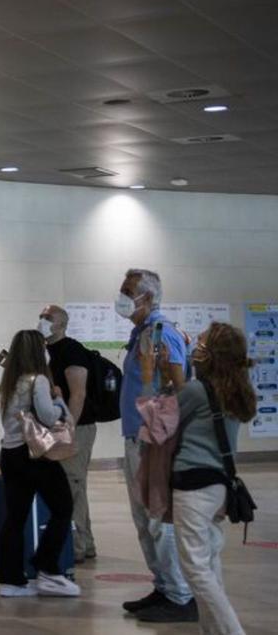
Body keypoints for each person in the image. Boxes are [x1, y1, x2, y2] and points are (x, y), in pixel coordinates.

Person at [159, 323, 255, 633]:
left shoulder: (197, 391)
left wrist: (159, 377)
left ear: (213, 353)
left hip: (193, 485)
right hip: (219, 485)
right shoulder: (236, 389)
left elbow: (160, 422)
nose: (194, 348)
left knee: (195, 569)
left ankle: (231, 631)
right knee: (209, 563)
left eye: (200, 343)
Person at [116, 269, 197, 622]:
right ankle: (163, 585)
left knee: (158, 518)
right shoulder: (141, 334)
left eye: (127, 291)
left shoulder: (161, 333)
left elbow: (180, 387)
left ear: (146, 298)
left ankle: (180, 595)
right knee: (142, 518)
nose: (120, 297)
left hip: (156, 439)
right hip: (137, 436)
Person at [0, 329, 81, 598]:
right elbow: (47, 416)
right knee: (63, 507)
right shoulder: (38, 380)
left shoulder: (10, 381)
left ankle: (10, 579)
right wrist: (58, 402)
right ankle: (48, 567)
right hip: (34, 456)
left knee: (15, 517)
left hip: (10, 454)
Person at [39, 305, 97, 563]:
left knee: (72, 483)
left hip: (77, 427)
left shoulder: (72, 350)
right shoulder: (44, 351)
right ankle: (85, 542)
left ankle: (77, 546)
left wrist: (68, 428)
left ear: (61, 324)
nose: (42, 321)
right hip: (54, 427)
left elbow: (79, 393)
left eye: (48, 318)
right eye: (41, 316)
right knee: (72, 485)